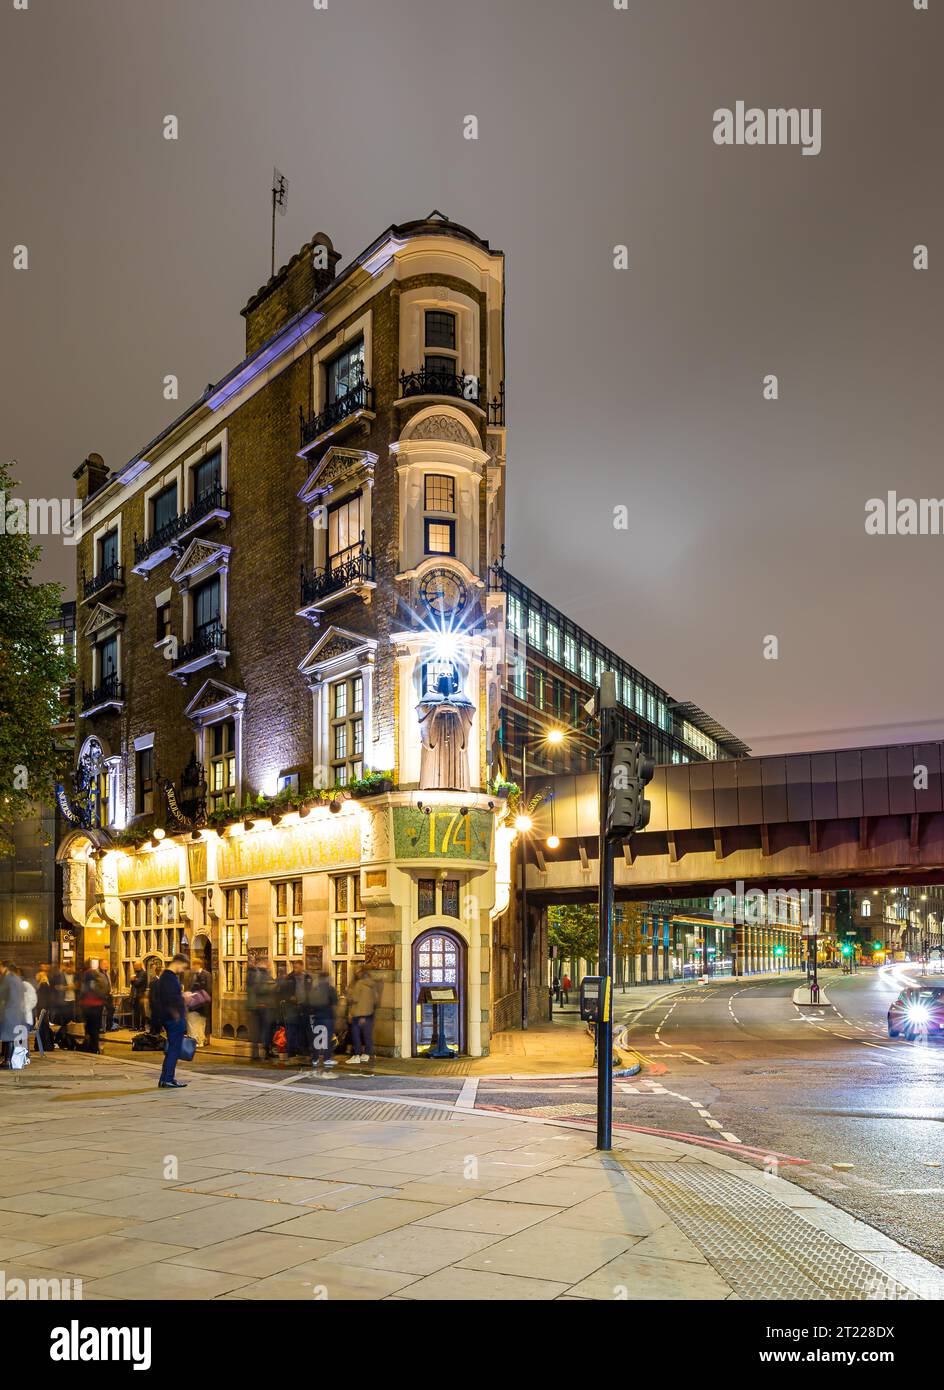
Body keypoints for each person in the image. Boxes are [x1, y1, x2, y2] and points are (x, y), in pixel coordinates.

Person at [155, 954, 189, 1089]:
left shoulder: (168, 977)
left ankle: (165, 1078)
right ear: (178, 963)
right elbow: (169, 1000)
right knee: (174, 1050)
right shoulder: (168, 978)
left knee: (172, 1050)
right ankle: (168, 1078)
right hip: (173, 1019)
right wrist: (183, 1000)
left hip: (171, 1017)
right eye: (183, 967)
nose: (182, 970)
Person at [346, 968, 379, 1065]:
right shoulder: (372, 985)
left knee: (356, 1035)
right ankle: (366, 1054)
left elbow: (354, 998)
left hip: (358, 1013)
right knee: (367, 1035)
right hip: (369, 1013)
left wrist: (349, 992)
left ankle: (357, 1055)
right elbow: (375, 1000)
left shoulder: (359, 984)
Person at [309, 969, 339, 1074]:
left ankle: (315, 1059)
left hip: (317, 1016)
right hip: (328, 1016)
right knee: (328, 1038)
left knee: (317, 1038)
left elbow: (310, 1002)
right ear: (327, 978)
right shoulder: (331, 989)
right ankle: (327, 1059)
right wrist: (336, 1017)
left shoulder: (315, 989)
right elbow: (334, 1005)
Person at [0, 962, 29, 1067]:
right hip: (17, 1012)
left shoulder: (8, 979)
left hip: (10, 1011)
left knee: (9, 1036)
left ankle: (8, 1061)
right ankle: (9, 1060)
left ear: (5, 968)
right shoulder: (18, 979)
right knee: (11, 1036)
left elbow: (2, 994)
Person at [246, 961, 275, 1061]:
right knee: (265, 1031)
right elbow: (266, 989)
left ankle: (255, 1054)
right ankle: (265, 1051)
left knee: (255, 1033)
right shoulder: (264, 976)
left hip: (253, 1007)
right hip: (264, 1007)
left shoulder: (250, 977)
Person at [79, 960, 109, 1054]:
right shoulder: (98, 980)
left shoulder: (87, 981)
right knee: (94, 1028)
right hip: (97, 1006)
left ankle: (91, 1047)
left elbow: (84, 991)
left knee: (89, 1028)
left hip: (88, 1006)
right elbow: (103, 991)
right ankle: (94, 1047)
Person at [187, 963, 212, 1047]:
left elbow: (208, 989)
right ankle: (196, 1041)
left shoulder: (206, 974)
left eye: (193, 965)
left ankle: (200, 1040)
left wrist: (198, 996)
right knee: (193, 1023)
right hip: (193, 1004)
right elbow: (190, 988)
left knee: (200, 1023)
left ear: (198, 965)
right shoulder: (192, 975)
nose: (192, 967)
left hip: (201, 1003)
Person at [129, 961, 147, 1032]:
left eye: (135, 966)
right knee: (136, 1011)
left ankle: (142, 1027)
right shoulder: (137, 973)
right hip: (135, 995)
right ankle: (136, 1027)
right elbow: (133, 983)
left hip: (140, 994)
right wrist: (133, 980)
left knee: (141, 1011)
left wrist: (134, 979)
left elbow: (137, 983)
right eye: (134, 966)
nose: (134, 967)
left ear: (139, 966)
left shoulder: (143, 973)